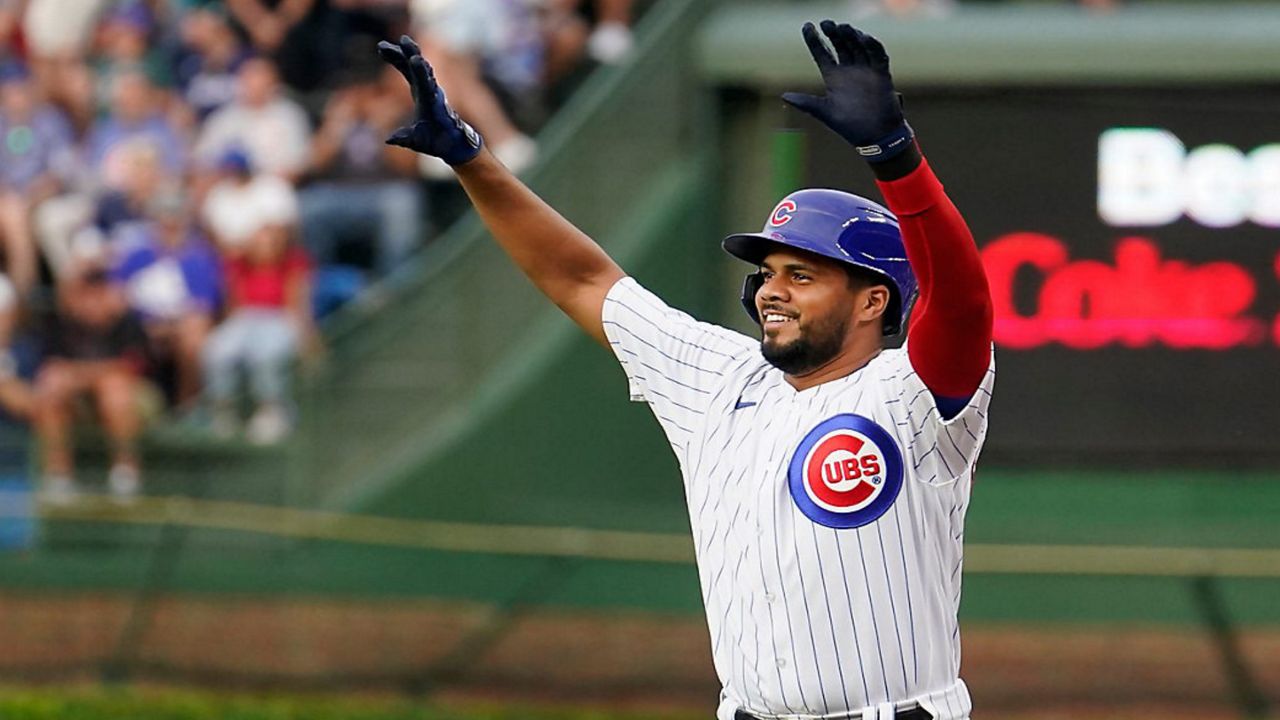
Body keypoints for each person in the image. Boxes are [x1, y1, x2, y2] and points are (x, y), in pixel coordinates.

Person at [379, 19, 994, 720]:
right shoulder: (720, 379)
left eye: (801, 274)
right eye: (766, 273)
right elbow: (582, 279)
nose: (770, 290)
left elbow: (963, 299)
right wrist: (471, 159)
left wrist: (894, 157)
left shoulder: (914, 394)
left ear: (872, 299)